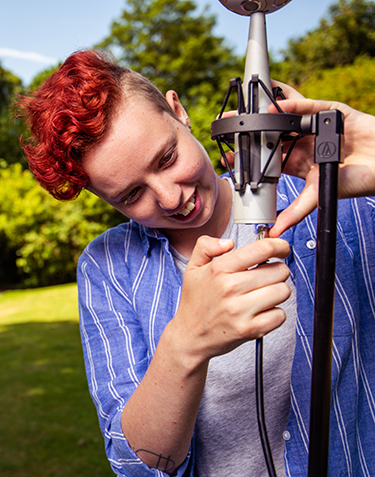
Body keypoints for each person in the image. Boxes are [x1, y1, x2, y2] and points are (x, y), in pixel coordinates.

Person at [17, 49, 375, 477]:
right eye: (132, 195)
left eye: (166, 158)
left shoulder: (332, 193)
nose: (171, 198)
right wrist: (186, 341)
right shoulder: (107, 267)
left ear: (178, 111)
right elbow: (136, 466)